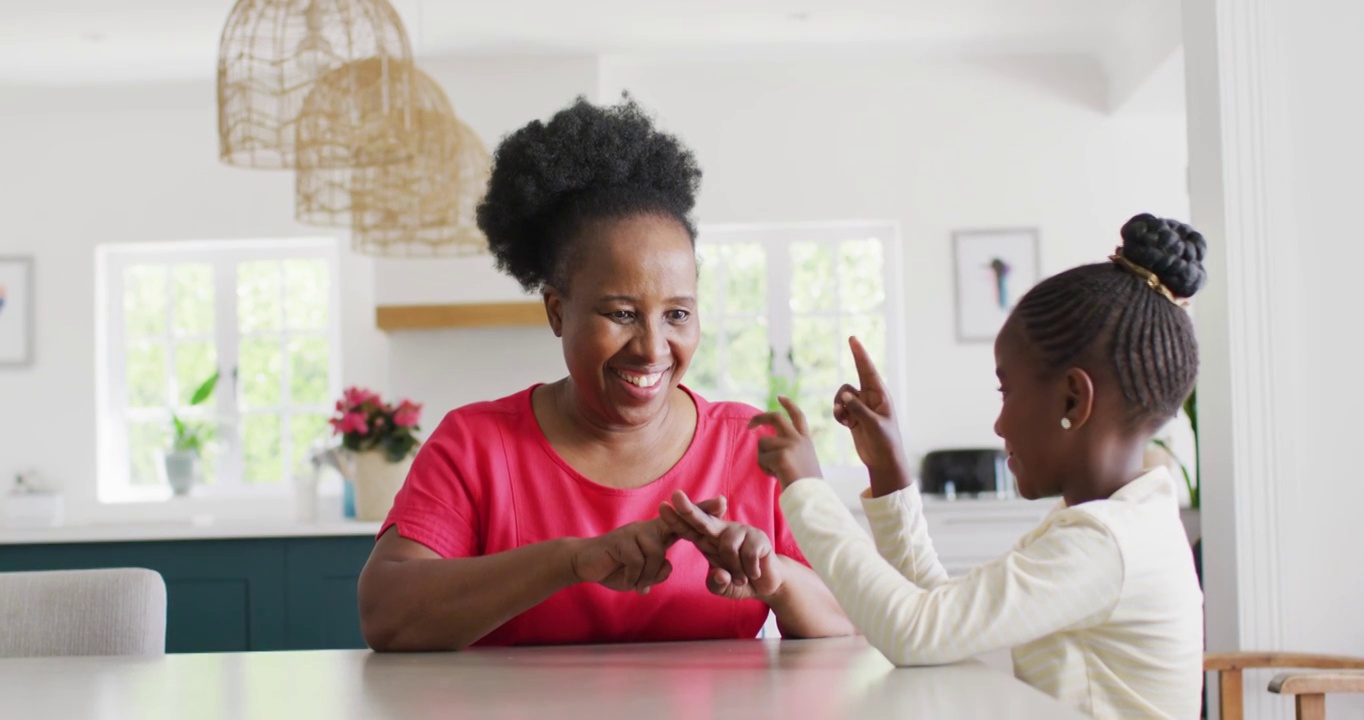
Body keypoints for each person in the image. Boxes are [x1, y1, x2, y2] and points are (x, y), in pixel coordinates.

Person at [356, 96, 853, 651]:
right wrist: (570, 561)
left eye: (677, 314)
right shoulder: (477, 445)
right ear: (557, 311)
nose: (651, 347)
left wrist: (775, 576)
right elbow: (386, 614)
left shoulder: (752, 446)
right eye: (621, 314)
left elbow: (853, 616)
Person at [675, 214, 1206, 718]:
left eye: (1007, 391)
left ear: (1072, 401)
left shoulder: (1104, 544)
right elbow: (938, 610)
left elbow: (916, 632)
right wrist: (890, 472)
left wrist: (806, 489)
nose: (999, 425)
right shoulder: (1119, 527)